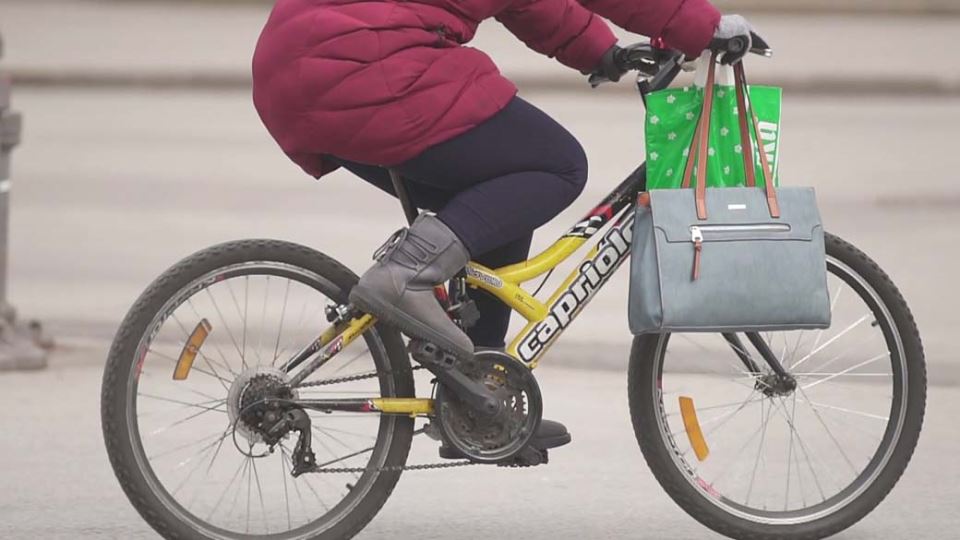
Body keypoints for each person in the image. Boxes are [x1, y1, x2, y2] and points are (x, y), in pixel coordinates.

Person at [253, 0, 762, 455]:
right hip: (364, 66)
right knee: (555, 165)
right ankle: (407, 276)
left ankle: (479, 397)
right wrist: (705, 27)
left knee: (498, 195)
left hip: (296, 66)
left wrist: (603, 53)